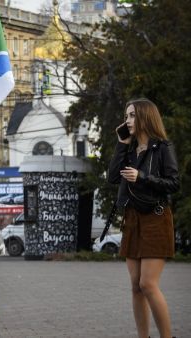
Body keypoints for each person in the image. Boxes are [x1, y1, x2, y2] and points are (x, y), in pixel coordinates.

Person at [108, 98, 179, 338]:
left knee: (148, 284)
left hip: (156, 218)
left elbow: (173, 183)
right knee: (135, 286)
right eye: (126, 115)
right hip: (132, 218)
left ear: (145, 117)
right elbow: (112, 178)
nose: (126, 121)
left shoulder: (162, 148)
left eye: (131, 116)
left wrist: (142, 177)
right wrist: (121, 144)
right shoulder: (129, 149)